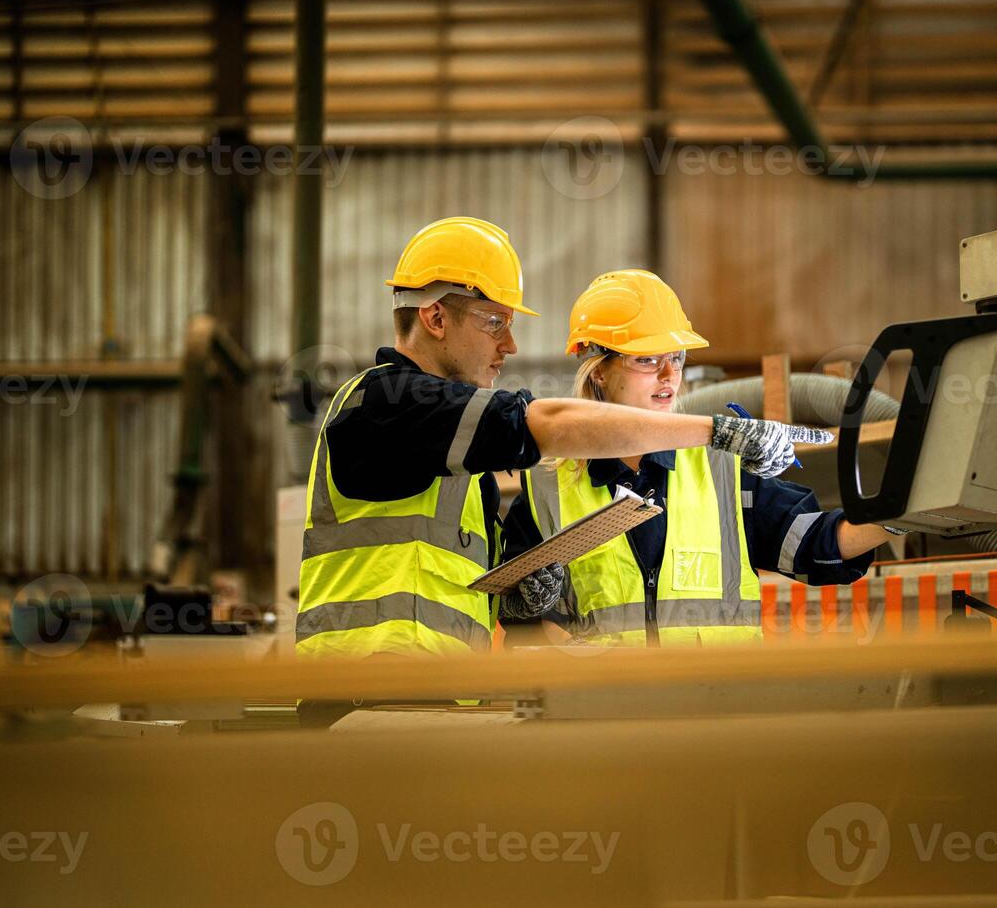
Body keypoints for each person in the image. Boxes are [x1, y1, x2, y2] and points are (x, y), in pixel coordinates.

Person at [294, 218, 830, 658]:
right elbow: (540, 426)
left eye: (677, 361)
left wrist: (522, 598)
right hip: (370, 696)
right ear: (434, 316)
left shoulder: (453, 452)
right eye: (494, 321)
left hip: (427, 702)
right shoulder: (387, 403)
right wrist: (717, 430)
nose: (511, 344)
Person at [502, 269, 896, 648]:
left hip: (715, 705)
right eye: (647, 360)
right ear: (598, 371)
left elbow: (818, 542)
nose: (668, 375)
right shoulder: (547, 487)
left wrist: (907, 512)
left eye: (675, 358)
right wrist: (533, 616)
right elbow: (522, 623)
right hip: (606, 711)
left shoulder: (720, 468)